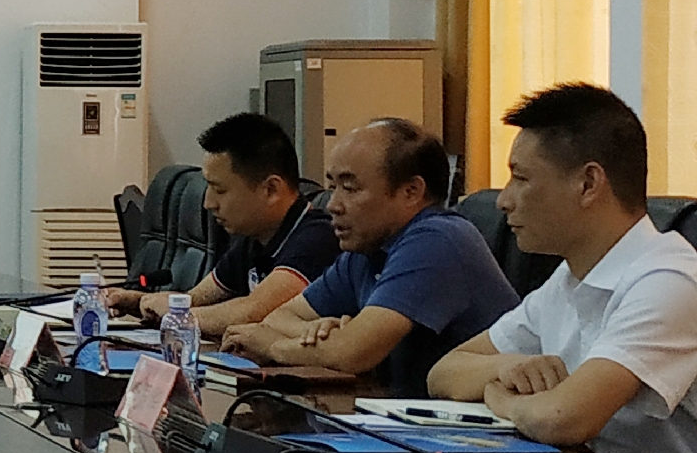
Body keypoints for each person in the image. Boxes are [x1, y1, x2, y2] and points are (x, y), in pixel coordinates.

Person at [429, 84, 697, 453]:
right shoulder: (569, 279)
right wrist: (506, 368)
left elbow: (563, 419)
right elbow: (443, 373)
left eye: (521, 178)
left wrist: (501, 399)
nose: (504, 200)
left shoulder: (670, 281)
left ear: (588, 184)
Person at [219, 118, 517, 395]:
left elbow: (351, 354)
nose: (333, 205)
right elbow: (280, 317)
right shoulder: (368, 247)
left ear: (411, 191)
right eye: (332, 187)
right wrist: (314, 332)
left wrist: (274, 347)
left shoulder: (438, 240)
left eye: (350, 188)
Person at [103, 113, 338, 337]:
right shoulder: (254, 238)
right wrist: (138, 302)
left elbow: (253, 313)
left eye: (220, 190)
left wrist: (175, 316)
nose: (208, 203)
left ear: (271, 190)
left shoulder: (318, 238)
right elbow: (194, 300)